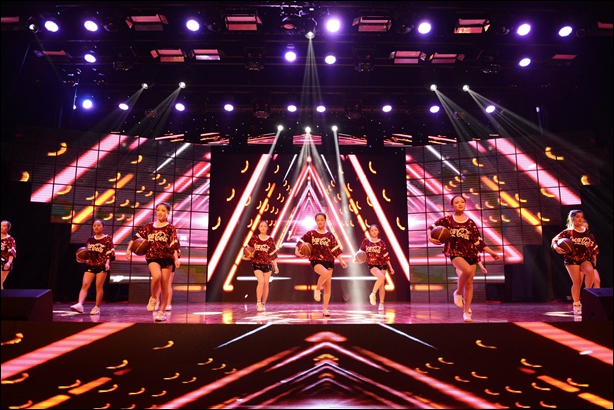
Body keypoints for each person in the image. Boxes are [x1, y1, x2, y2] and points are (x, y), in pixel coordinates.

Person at [428, 195, 500, 322]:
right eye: (457, 202)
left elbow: (478, 242)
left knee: (470, 283)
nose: (460, 204)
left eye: (462, 202)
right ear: (452, 205)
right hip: (455, 253)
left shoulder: (470, 223)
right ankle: (458, 292)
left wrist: (491, 253)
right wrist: (430, 238)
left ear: (465, 204)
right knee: (466, 270)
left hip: (471, 254)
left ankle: (466, 312)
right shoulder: (447, 220)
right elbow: (431, 228)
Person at [126, 202, 180, 322]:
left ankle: (161, 312)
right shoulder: (149, 226)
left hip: (167, 258)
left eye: (163, 210)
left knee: (165, 285)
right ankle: (153, 298)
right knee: (156, 277)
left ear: (168, 213)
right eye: (158, 210)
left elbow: (174, 245)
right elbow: (135, 238)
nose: (160, 212)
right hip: (152, 257)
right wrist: (128, 249)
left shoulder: (170, 228)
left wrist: (176, 259)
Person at [296, 212, 347, 317]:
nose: (320, 222)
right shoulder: (311, 234)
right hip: (316, 260)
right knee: (325, 273)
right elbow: (300, 242)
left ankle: (325, 309)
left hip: (329, 260)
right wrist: (297, 251)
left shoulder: (330, 235)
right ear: (315, 221)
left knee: (328, 286)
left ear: (325, 221)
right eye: (318, 220)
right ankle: (318, 288)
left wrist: (341, 261)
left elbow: (335, 249)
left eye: (322, 220)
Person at [552, 210, 598, 315]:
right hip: (571, 259)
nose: (580, 219)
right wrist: (556, 247)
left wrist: (594, 256)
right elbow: (554, 240)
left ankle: (587, 295)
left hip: (584, 258)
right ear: (572, 219)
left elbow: (593, 245)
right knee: (577, 282)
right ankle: (576, 304)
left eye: (581, 217)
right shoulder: (568, 232)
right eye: (577, 217)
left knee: (590, 272)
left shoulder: (587, 232)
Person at [70, 219, 115, 315]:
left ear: (103, 227)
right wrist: (83, 259)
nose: (96, 227)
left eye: (98, 225)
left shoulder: (107, 238)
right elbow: (86, 253)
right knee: (85, 284)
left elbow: (110, 252)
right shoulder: (90, 240)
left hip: (102, 265)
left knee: (98, 286)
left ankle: (97, 307)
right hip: (91, 265)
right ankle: (80, 304)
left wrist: (107, 262)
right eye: (94, 225)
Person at [356, 224, 395, 311]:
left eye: (375, 230)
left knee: (382, 284)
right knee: (381, 277)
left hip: (382, 264)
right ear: (370, 232)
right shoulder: (366, 241)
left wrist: (391, 267)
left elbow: (386, 256)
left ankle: (381, 304)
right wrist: (356, 259)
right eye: (372, 230)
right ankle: (373, 294)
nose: (374, 232)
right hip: (372, 264)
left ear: (378, 231)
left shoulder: (382, 243)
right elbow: (360, 252)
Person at [242, 221, 279, 312]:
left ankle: (263, 303)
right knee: (261, 281)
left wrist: (276, 266)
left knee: (266, 284)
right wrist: (245, 256)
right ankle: (258, 303)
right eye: (261, 226)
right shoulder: (254, 239)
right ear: (258, 228)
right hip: (257, 263)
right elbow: (247, 250)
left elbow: (273, 255)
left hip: (268, 264)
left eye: (264, 226)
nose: (263, 228)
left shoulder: (270, 240)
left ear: (267, 228)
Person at [581, 220, 601, 289]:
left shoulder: (590, 237)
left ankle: (596, 296)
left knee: (597, 280)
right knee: (580, 283)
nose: (585, 229)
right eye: (583, 227)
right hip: (579, 262)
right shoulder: (575, 237)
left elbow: (594, 249)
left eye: (587, 227)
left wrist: (594, 259)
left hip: (590, 262)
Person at [1, 220, 16, 290]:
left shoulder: (10, 239)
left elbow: (11, 252)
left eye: (4, 226)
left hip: (4, 262)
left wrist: (9, 262)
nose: (1, 227)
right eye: (0, 225)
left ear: (8, 228)